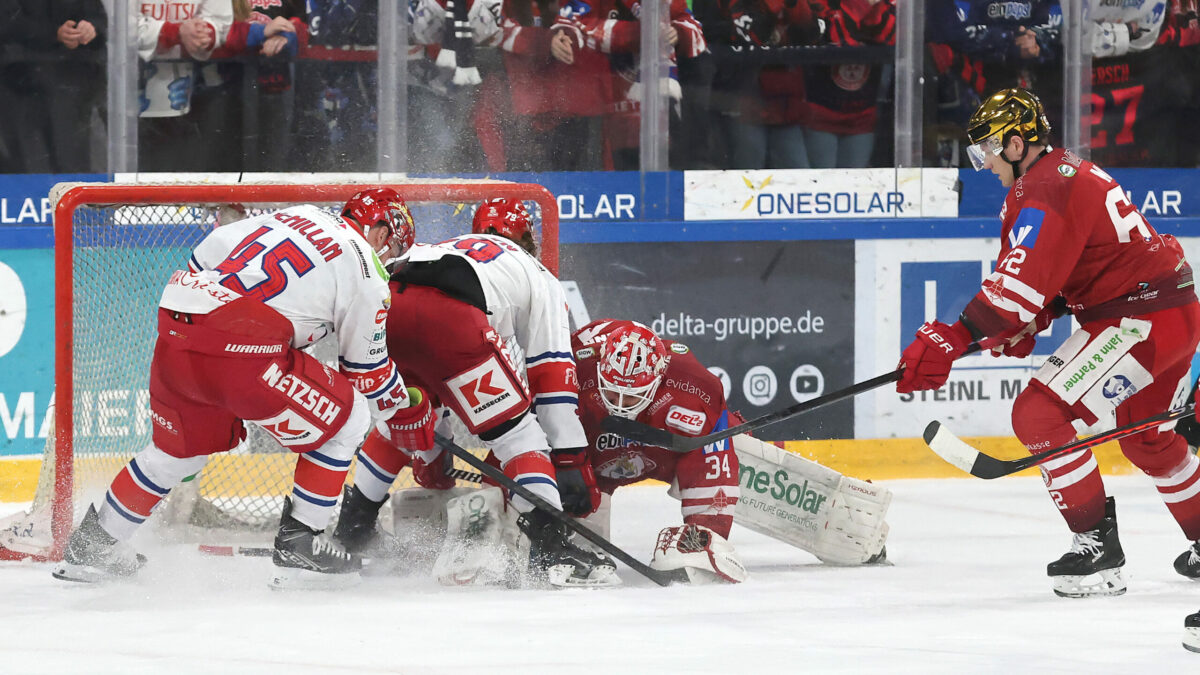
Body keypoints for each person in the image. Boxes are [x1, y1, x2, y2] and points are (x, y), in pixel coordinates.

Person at [896, 88, 1200, 598]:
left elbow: (1017, 287)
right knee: (1146, 439)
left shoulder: (1043, 189)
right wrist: (1031, 320)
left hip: (1140, 320)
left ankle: (1097, 550)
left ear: (1017, 144)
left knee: (1039, 415)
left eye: (988, 150)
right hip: (1171, 312)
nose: (984, 163)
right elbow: (1073, 274)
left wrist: (955, 337)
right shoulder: (1063, 174)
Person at [52, 188, 438, 590]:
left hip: (179, 326)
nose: (389, 261)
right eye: (393, 250)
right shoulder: (367, 270)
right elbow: (365, 372)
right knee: (351, 416)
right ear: (379, 232)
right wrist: (405, 404)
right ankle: (300, 545)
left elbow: (206, 254)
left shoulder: (300, 215)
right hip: (242, 344)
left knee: (176, 455)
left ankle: (93, 547)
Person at [331, 221, 616, 587]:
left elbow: (430, 395)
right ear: (530, 244)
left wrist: (432, 457)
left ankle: (353, 530)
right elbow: (552, 379)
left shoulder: (452, 242)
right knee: (519, 437)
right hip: (449, 320)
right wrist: (571, 457)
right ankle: (549, 547)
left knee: (399, 419)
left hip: (389, 307)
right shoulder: (540, 276)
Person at [566, 318, 746, 582]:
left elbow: (717, 432)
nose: (620, 406)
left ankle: (702, 540)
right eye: (613, 394)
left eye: (632, 396)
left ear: (658, 380)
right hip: (594, 450)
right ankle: (575, 534)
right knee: (564, 463)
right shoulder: (575, 372)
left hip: (667, 455)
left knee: (714, 443)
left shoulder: (693, 386)